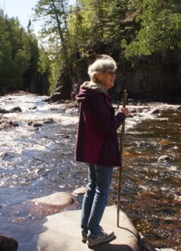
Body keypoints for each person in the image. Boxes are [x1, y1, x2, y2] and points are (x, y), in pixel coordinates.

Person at [74, 55, 130, 247]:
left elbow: (99, 124)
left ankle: (86, 229)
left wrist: (116, 116)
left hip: (92, 149)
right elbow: (105, 128)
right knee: (101, 191)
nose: (113, 76)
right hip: (100, 150)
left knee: (92, 187)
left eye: (114, 73)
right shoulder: (97, 97)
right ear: (98, 76)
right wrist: (121, 116)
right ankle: (95, 233)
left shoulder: (90, 94)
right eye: (110, 73)